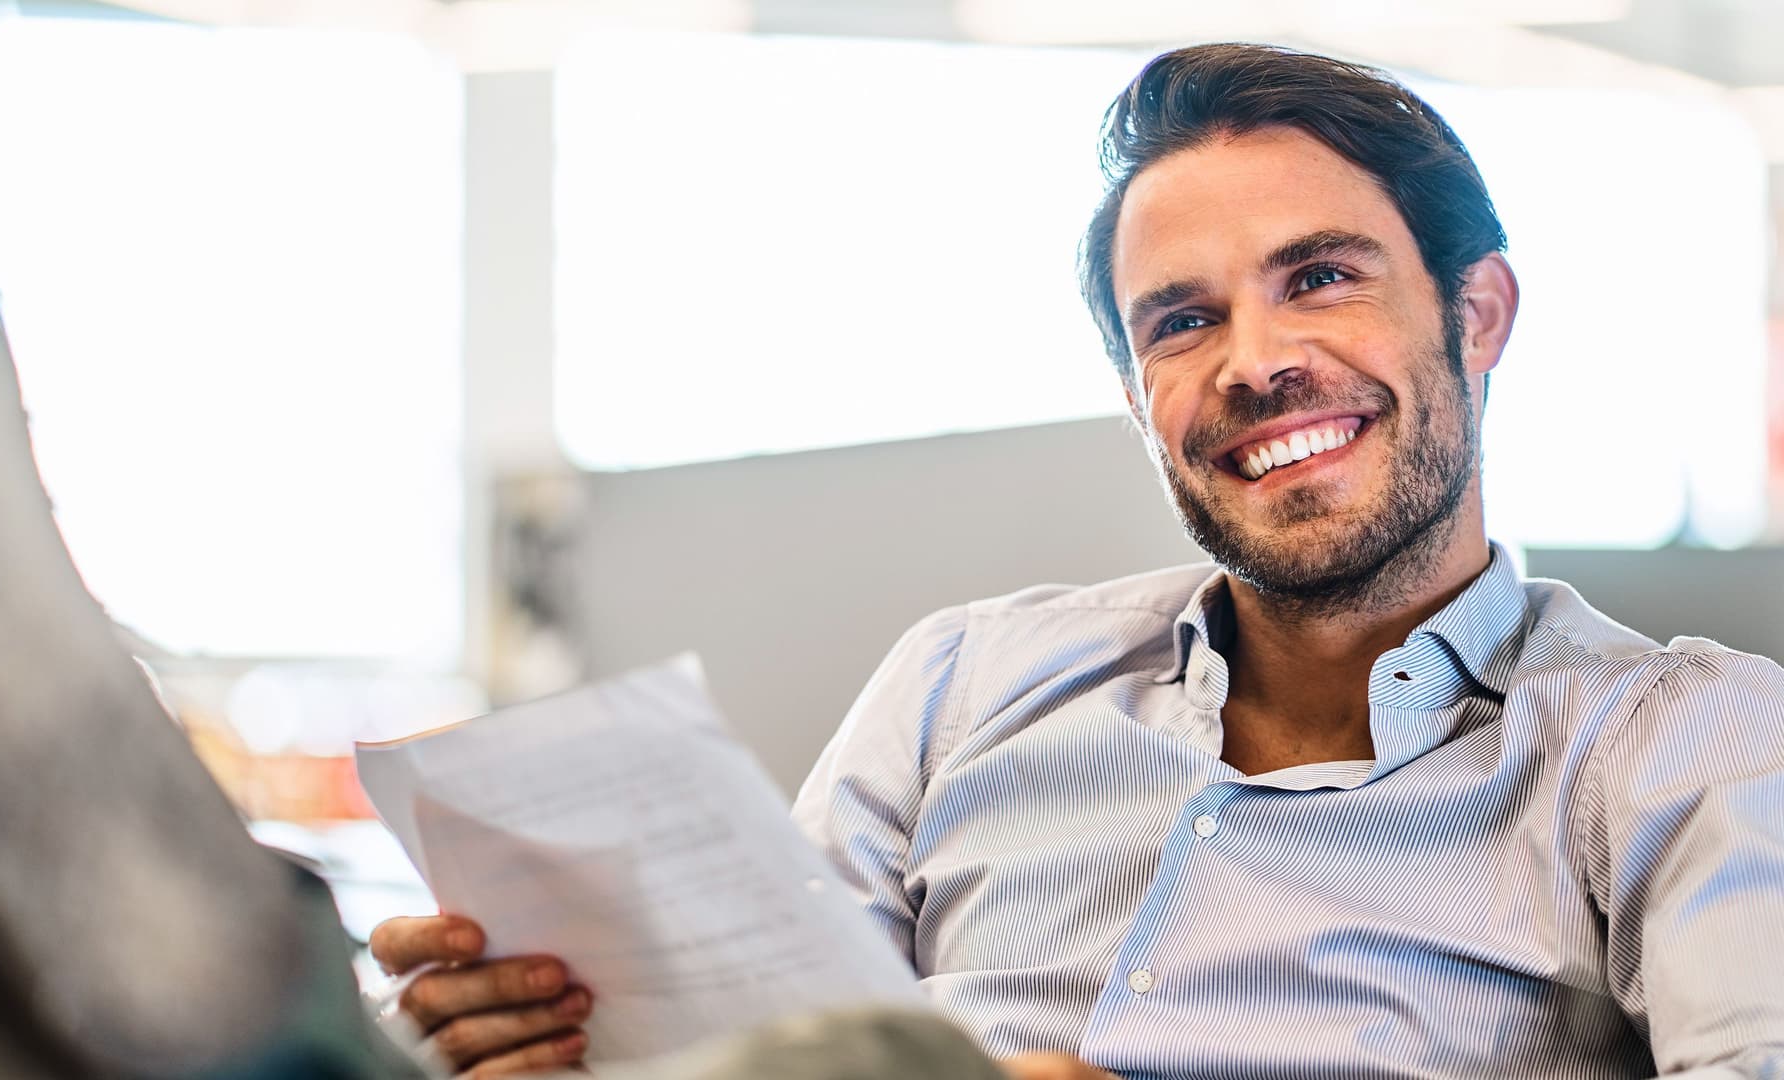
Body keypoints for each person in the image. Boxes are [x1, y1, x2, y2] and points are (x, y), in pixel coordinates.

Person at [371, 43, 1784, 1078]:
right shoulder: (966, 679)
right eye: (1180, 320)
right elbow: (768, 1041)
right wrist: (548, 1039)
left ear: (1477, 315)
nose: (1256, 363)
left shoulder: (1678, 746)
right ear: (1136, 398)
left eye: (1322, 277)